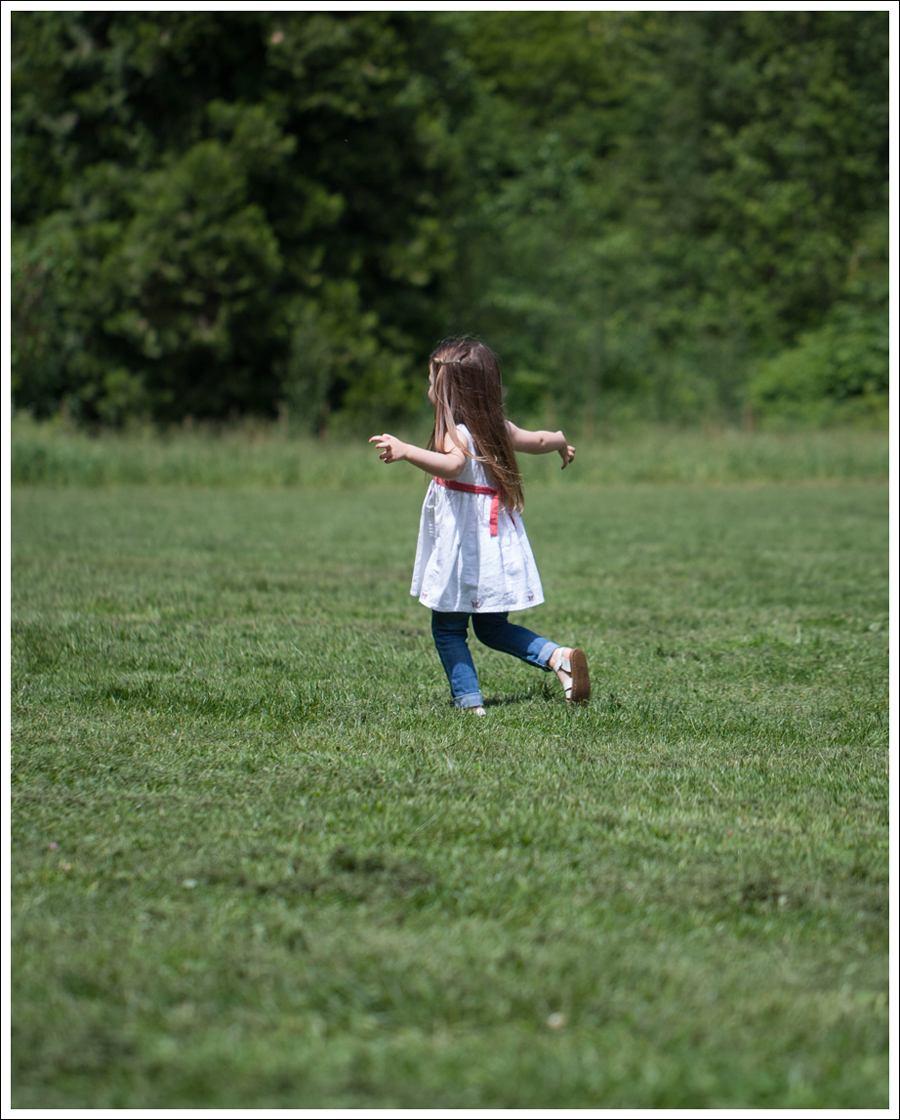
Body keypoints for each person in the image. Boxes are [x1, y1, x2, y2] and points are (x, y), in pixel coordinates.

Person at [369, 338, 590, 714]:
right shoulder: (497, 428)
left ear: (449, 391)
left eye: (431, 381)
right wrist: (560, 441)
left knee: (448, 629)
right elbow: (537, 439)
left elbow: (454, 466)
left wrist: (406, 451)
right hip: (492, 546)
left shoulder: (452, 434)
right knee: (491, 628)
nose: (427, 388)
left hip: (464, 550)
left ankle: (470, 705)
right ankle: (559, 658)